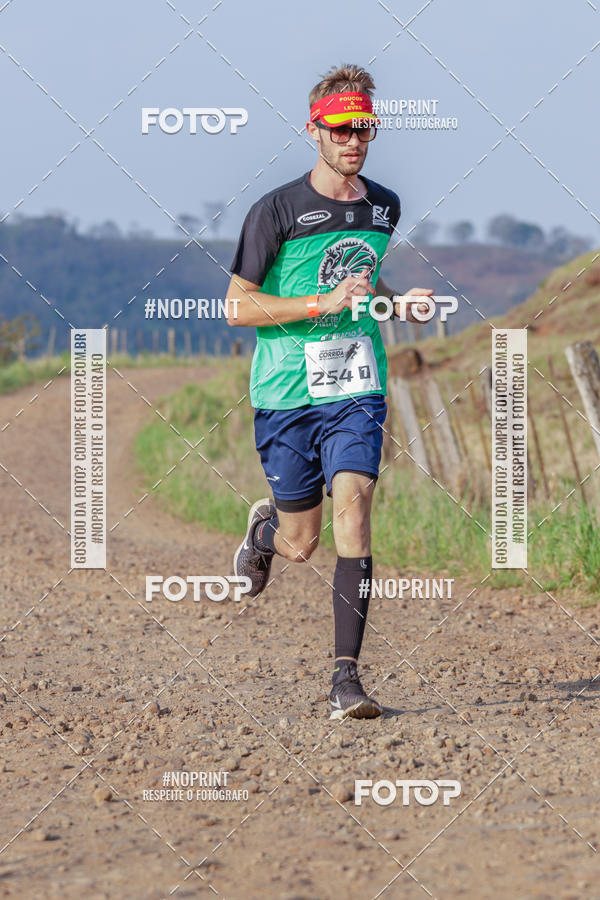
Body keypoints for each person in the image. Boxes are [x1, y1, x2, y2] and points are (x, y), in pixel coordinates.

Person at [226, 63, 432, 720]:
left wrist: (401, 308)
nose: (354, 139)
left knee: (356, 504)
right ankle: (267, 534)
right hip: (286, 390)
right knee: (301, 542)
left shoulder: (385, 206)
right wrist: (319, 304)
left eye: (364, 127)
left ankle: (347, 679)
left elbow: (363, 289)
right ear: (314, 129)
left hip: (355, 382)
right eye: (341, 128)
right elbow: (237, 308)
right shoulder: (276, 210)